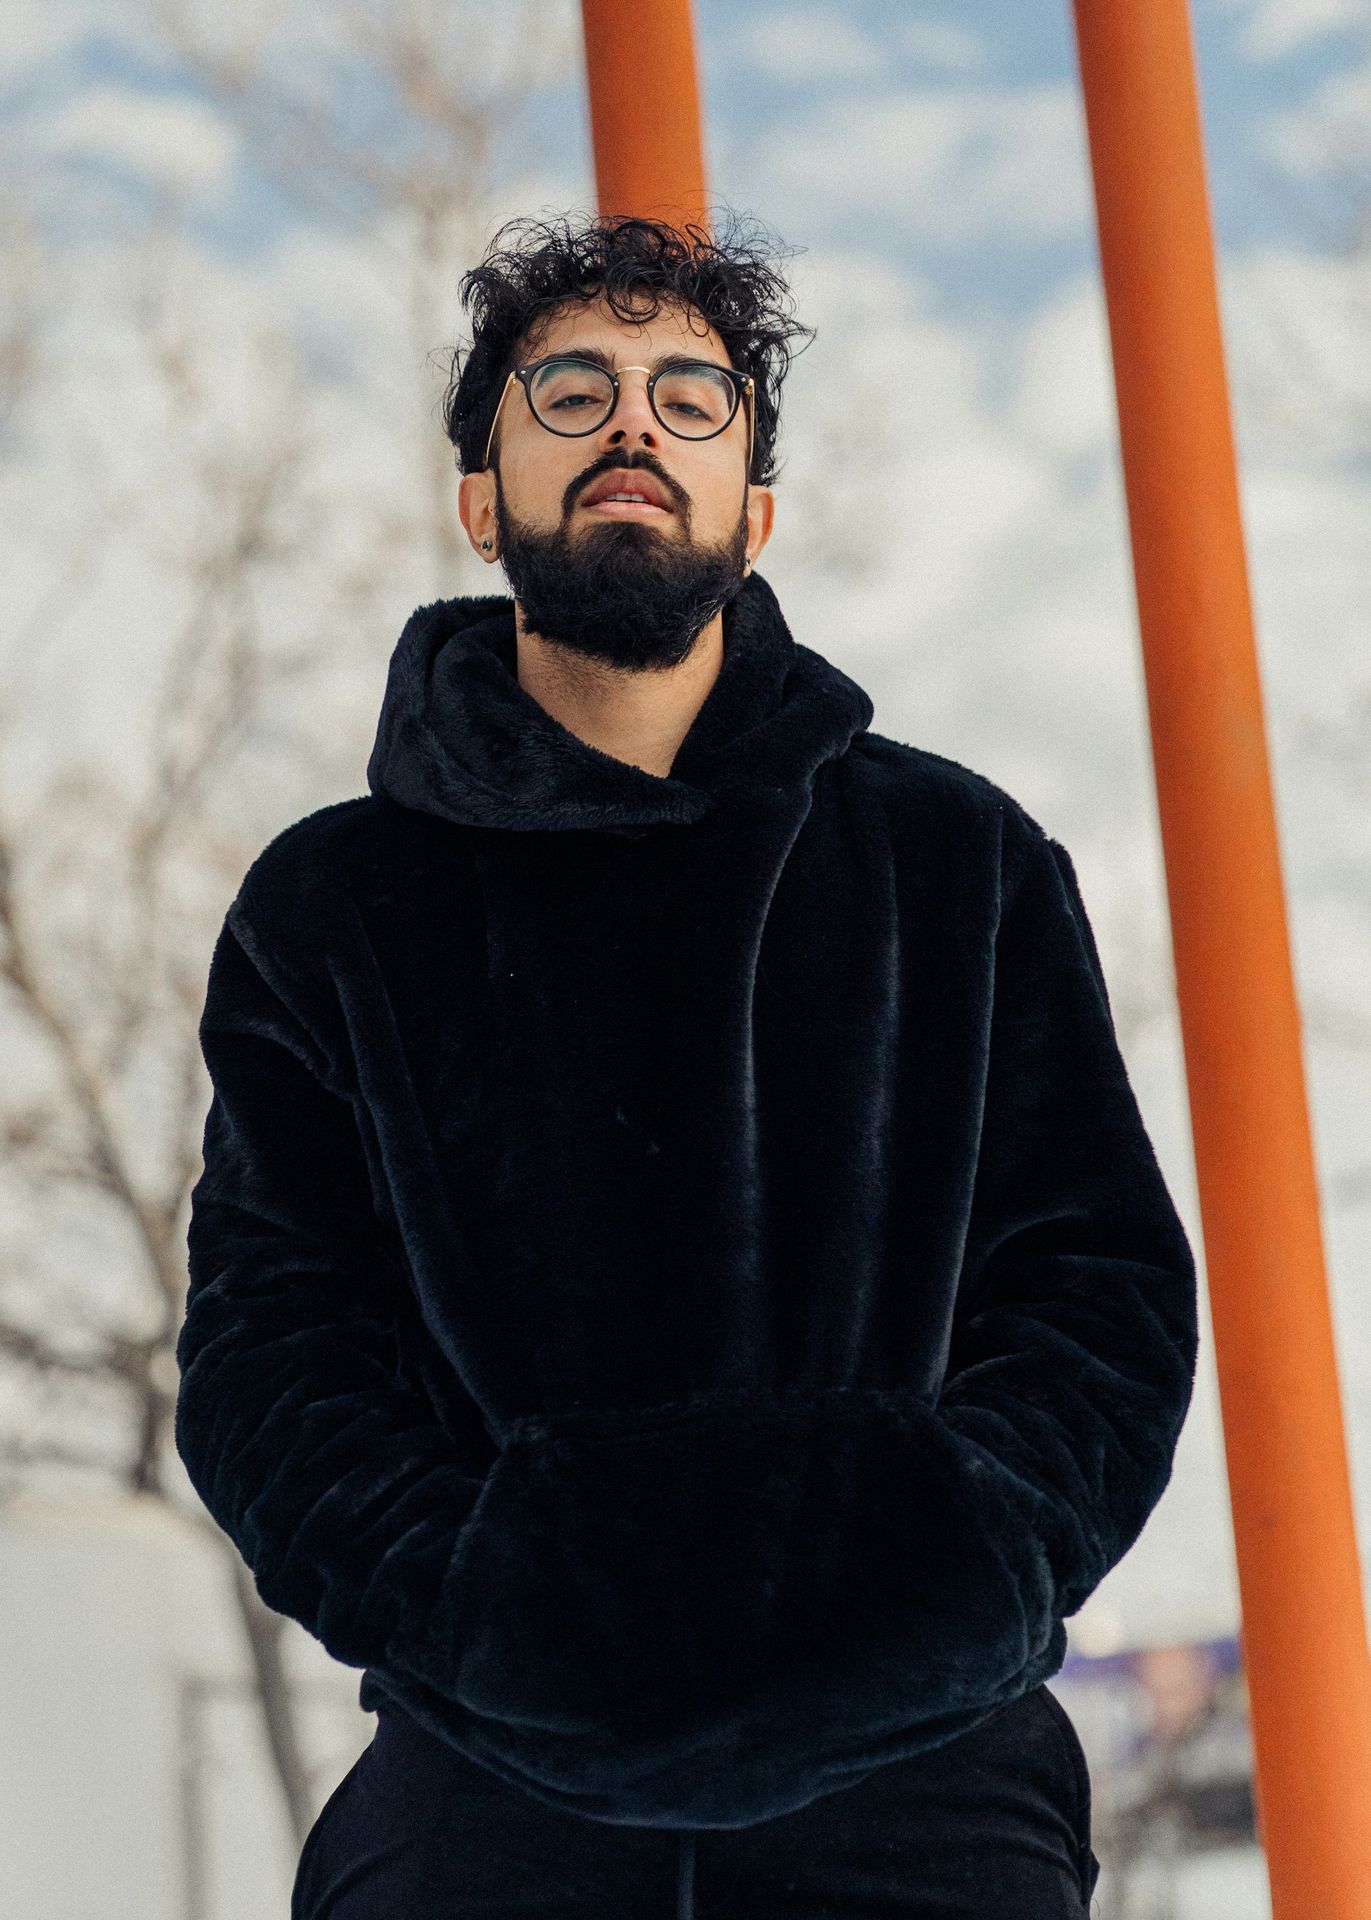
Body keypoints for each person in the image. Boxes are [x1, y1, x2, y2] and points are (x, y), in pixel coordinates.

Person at [175, 210, 1199, 1918]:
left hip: (923, 1780)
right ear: (480, 495)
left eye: (688, 395)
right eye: (566, 389)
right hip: (482, 1786)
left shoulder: (960, 861)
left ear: (759, 510)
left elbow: (1098, 1292)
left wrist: (954, 1569)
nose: (632, 423)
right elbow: (269, 1351)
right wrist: (481, 1601)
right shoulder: (330, 906)